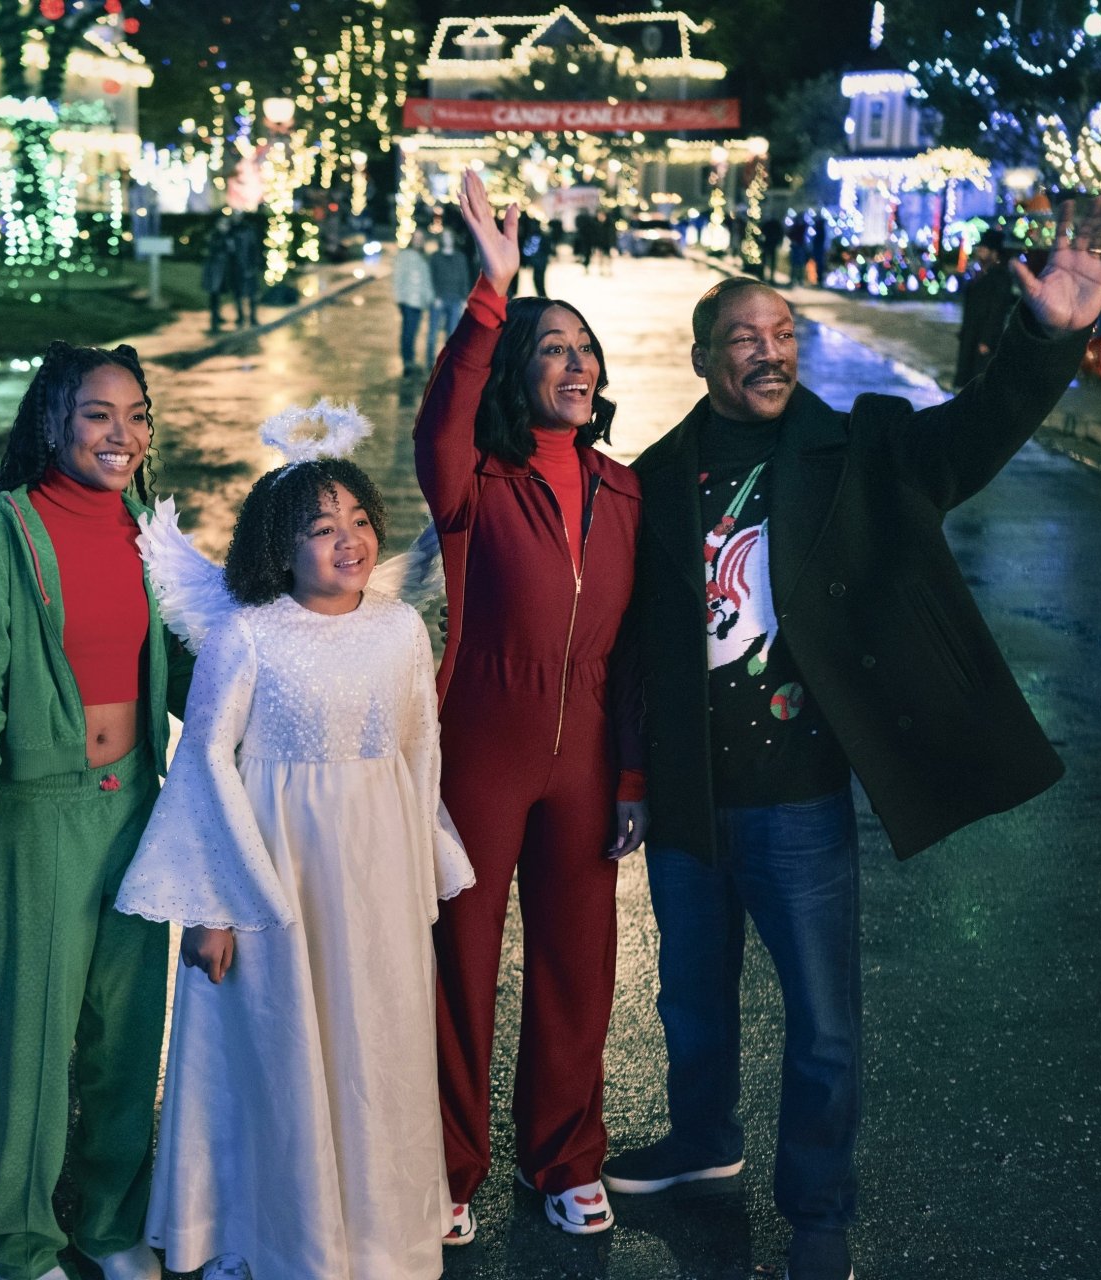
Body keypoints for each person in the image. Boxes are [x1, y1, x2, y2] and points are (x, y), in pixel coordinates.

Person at [606, 199, 1101, 1280]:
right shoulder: (653, 478)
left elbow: (977, 431)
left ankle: (820, 1208)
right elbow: (627, 645)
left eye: (784, 334)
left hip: (799, 794)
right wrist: (629, 774)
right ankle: (704, 1142)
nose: (770, 351)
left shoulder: (862, 448)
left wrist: (1050, 338)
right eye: (745, 337)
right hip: (691, 793)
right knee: (689, 996)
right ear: (702, 357)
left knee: (825, 1020)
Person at [118, 404, 474, 1279]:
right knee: (280, 1050)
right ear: (280, 548)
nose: (347, 539)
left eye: (358, 520)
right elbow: (204, 758)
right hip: (273, 880)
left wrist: (420, 864)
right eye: (321, 527)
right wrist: (215, 905)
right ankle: (278, 1233)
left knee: (375, 1048)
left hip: (377, 876)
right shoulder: (247, 637)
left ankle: (378, 1233)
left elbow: (419, 744)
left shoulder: (397, 628)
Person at [0, 343, 194, 1280]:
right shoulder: (2, 534)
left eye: (137, 415)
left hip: (138, 803)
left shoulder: (147, 529)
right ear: (53, 421)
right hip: (40, 815)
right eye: (99, 414)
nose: (123, 435)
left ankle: (109, 1221)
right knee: (39, 1041)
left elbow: (185, 667)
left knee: (128, 1040)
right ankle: (13, 1241)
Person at [417, 168, 647, 1243]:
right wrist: (490, 294)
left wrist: (633, 773)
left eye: (585, 350)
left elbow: (644, 646)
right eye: (554, 348)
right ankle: (449, 1165)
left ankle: (566, 1154)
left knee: (577, 963)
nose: (577, 363)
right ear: (521, 367)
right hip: (482, 746)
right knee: (459, 962)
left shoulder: (626, 488)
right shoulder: (479, 481)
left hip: (589, 750)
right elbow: (441, 425)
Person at [955, 228, 1018, 387]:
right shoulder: (980, 273)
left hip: (983, 339)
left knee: (979, 380)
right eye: (980, 248)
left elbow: (998, 311)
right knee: (967, 381)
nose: (979, 252)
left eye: (984, 249)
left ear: (994, 253)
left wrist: (987, 341)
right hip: (971, 334)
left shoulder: (1000, 277)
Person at [426, 232, 473, 360]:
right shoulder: (435, 257)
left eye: (449, 237)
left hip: (456, 299)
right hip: (439, 299)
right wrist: (435, 296)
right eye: (444, 237)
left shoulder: (460, 257)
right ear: (441, 239)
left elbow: (464, 278)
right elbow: (430, 277)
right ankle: (430, 362)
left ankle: (447, 362)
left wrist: (464, 298)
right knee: (433, 333)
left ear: (453, 239)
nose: (447, 240)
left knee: (452, 333)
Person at [394, 231, 435, 374]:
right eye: (416, 238)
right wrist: (399, 298)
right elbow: (398, 278)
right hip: (408, 301)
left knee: (413, 331)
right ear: (412, 240)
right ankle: (407, 362)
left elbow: (427, 280)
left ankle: (410, 360)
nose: (418, 241)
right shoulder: (404, 255)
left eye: (421, 239)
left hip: (420, 302)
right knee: (408, 332)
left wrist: (430, 298)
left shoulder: (424, 257)